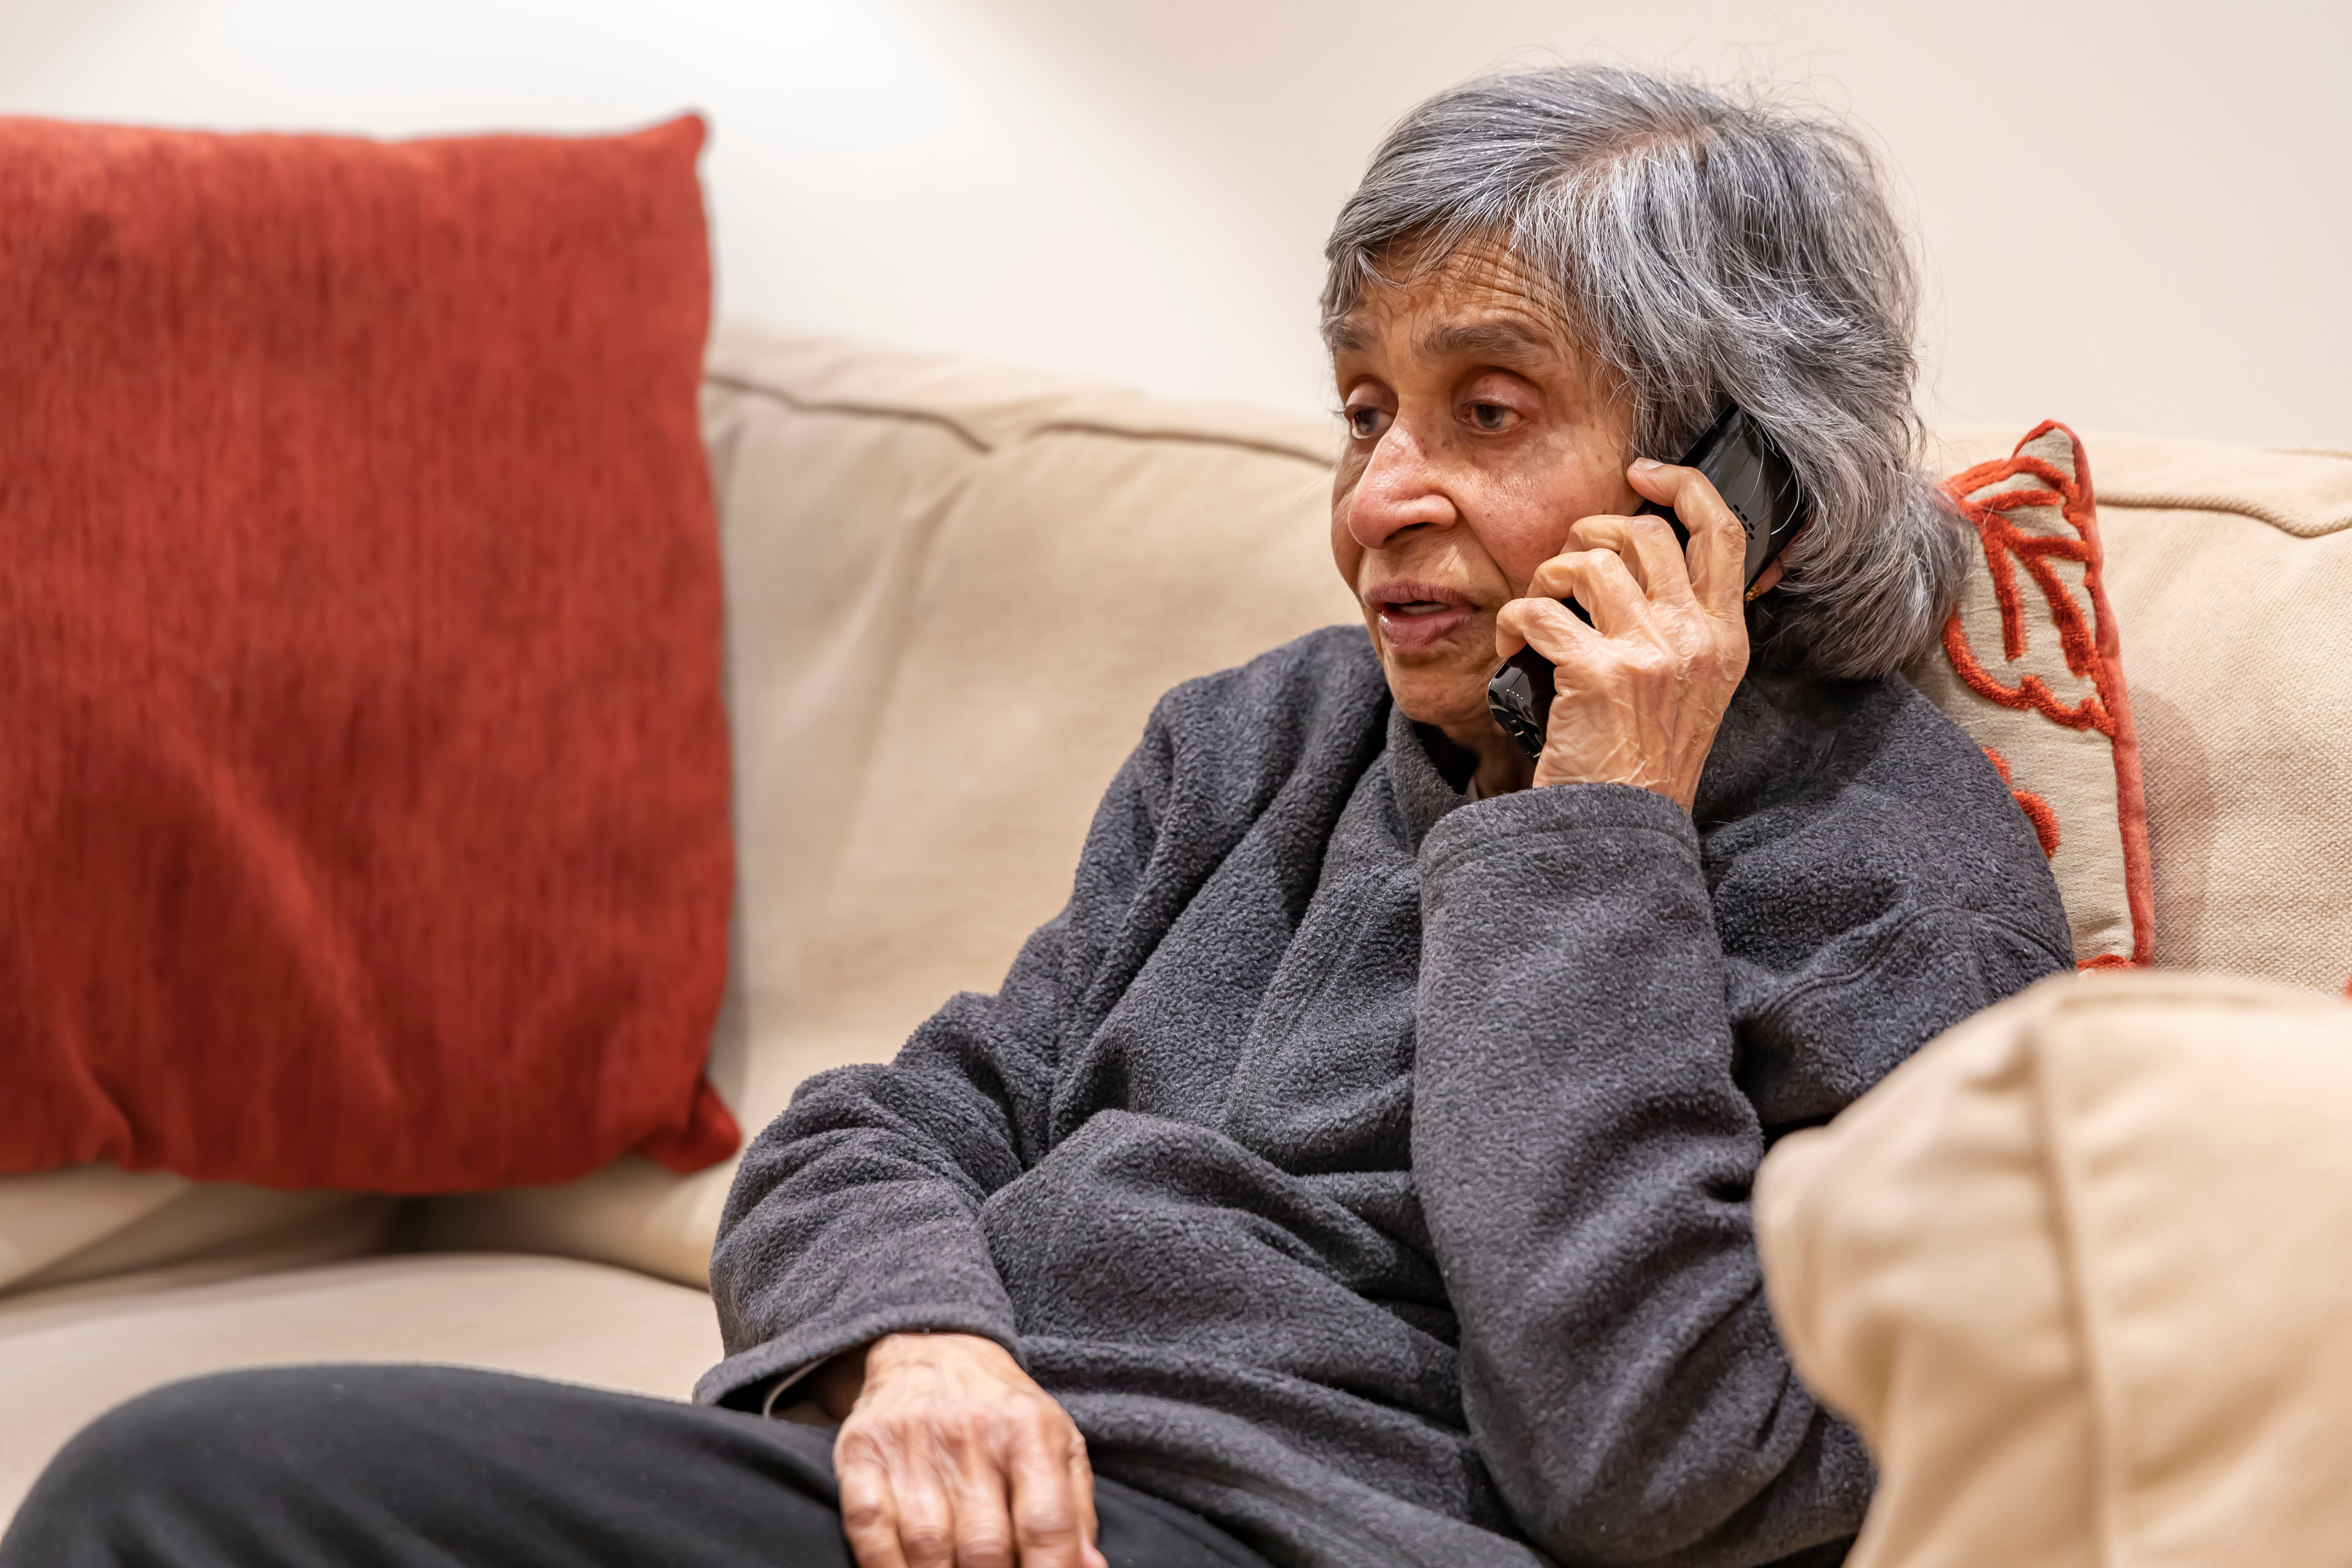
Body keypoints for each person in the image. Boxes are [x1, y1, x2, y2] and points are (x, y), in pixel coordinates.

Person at [2, 63, 2071, 1568]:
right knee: (200, 1473)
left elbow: (1666, 1459)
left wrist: (1591, 837)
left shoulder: (1892, 886)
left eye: (1488, 409)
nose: (1377, 500)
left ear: (1743, 484)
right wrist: (918, 1349)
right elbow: (883, 1124)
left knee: (181, 1497)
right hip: (980, 1482)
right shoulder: (1267, 741)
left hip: (1293, 1536)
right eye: (1364, 411)